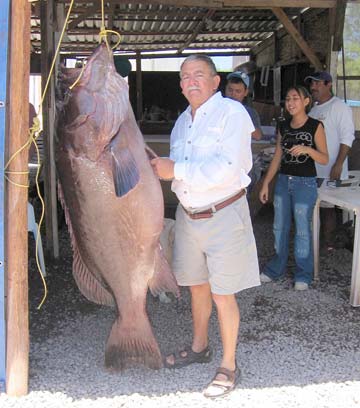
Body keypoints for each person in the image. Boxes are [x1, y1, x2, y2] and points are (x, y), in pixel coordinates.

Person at [150, 55, 260, 398]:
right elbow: (175, 168)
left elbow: (227, 168)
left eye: (199, 74)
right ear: (180, 86)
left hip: (223, 213)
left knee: (222, 293)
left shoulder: (232, 113)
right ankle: (200, 348)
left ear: (215, 82)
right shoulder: (182, 122)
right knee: (196, 286)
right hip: (189, 216)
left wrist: (175, 171)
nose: (190, 81)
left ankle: (229, 364)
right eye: (184, 77)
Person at [259, 86, 328, 290]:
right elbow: (278, 157)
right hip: (283, 181)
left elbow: (324, 158)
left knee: (303, 230)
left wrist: (307, 149)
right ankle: (275, 269)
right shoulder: (283, 125)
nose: (290, 103)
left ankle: (303, 274)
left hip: (305, 183)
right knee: (279, 226)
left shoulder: (315, 126)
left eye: (295, 98)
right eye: (288, 99)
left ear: (306, 101)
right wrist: (265, 184)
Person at [304, 71, 355, 250]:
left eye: (318, 84)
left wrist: (339, 164)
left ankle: (329, 246)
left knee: (327, 208)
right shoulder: (314, 110)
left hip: (331, 169)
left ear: (329, 84)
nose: (313, 87)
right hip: (312, 169)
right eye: (312, 84)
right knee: (313, 207)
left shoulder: (339, 107)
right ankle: (317, 245)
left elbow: (347, 137)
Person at [225, 70, 262, 140]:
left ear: (246, 92)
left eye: (238, 91)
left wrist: (240, 118)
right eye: (230, 90)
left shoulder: (250, 113)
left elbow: (258, 136)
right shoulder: (217, 108)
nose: (233, 94)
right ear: (225, 89)